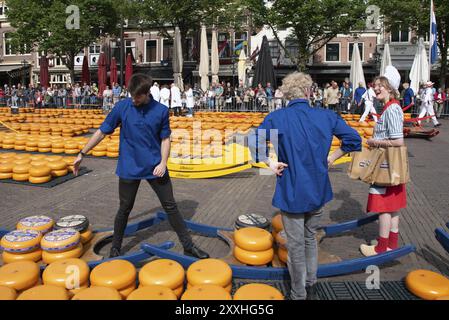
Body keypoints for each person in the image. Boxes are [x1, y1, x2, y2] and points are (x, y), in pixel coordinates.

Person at [249, 72, 361, 300]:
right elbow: (354, 140)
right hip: (318, 189)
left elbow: (253, 140)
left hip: (292, 190)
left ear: (287, 94)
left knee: (296, 245)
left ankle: (298, 293)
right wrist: (333, 157)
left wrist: (270, 163)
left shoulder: (277, 117)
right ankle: (311, 282)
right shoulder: (326, 116)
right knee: (310, 238)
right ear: (310, 92)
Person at [73, 73, 209, 259]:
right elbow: (102, 131)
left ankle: (188, 246)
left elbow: (165, 139)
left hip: (155, 167)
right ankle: (116, 247)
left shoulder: (160, 110)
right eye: (132, 95)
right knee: (124, 208)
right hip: (129, 167)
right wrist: (82, 153)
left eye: (138, 96)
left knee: (171, 206)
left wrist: (163, 162)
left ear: (147, 94)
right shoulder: (123, 107)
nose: (134, 99)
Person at [360, 66, 407, 257]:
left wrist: (373, 141)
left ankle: (381, 248)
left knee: (384, 208)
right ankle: (390, 243)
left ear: (390, 88)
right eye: (375, 85)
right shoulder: (390, 107)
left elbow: (398, 140)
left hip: (386, 165)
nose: (376, 89)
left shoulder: (392, 109)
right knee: (393, 206)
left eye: (380, 86)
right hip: (390, 165)